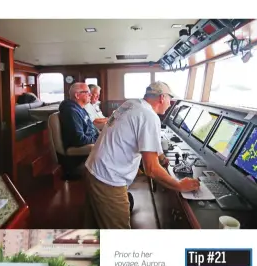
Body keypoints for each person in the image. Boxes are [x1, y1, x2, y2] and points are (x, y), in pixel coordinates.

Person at [84, 81, 200, 229]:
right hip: (108, 179)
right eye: (170, 99)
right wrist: (179, 185)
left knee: (93, 226)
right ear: (162, 97)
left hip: (93, 169)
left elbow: (138, 137)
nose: (170, 104)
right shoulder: (149, 116)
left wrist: (161, 156)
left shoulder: (132, 104)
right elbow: (150, 169)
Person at [58, 82, 99, 151]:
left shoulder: (81, 109)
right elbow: (79, 139)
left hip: (92, 139)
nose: (90, 95)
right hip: (80, 153)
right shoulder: (71, 112)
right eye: (87, 92)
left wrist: (101, 135)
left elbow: (91, 127)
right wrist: (98, 139)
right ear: (77, 95)